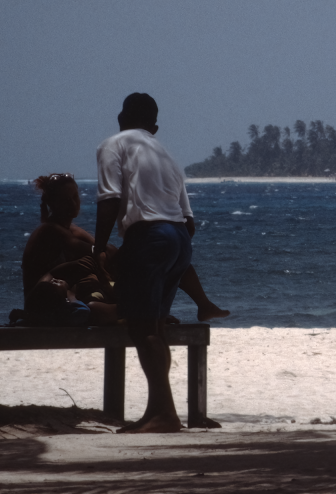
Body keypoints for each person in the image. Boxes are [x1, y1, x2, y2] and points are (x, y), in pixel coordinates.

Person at [94, 92, 206, 433]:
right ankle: (157, 409)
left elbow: (110, 199)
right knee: (156, 327)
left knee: (141, 328)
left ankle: (165, 414)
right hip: (178, 238)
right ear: (153, 126)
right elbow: (189, 222)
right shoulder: (166, 155)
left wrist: (99, 247)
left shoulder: (112, 144)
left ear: (120, 117)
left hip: (149, 237)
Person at [22, 173, 229, 322]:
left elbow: (106, 251)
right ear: (52, 203)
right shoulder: (49, 231)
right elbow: (94, 252)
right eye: (65, 200)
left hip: (76, 294)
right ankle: (142, 313)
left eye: (75, 197)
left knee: (167, 259)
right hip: (46, 300)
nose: (72, 203)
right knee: (97, 309)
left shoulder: (73, 230)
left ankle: (201, 304)